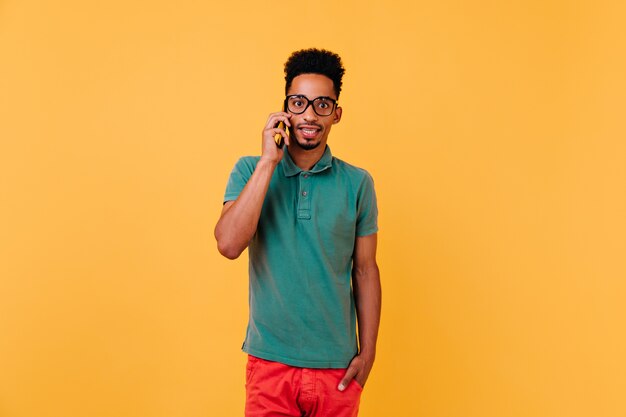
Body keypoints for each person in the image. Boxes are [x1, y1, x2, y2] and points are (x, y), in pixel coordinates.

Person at [214, 48, 381, 417]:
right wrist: (268, 163)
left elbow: (366, 270)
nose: (309, 114)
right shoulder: (250, 170)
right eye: (299, 102)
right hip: (270, 365)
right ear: (285, 109)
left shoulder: (357, 183)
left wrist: (367, 354)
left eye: (322, 104)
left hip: (337, 368)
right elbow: (228, 244)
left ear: (336, 113)